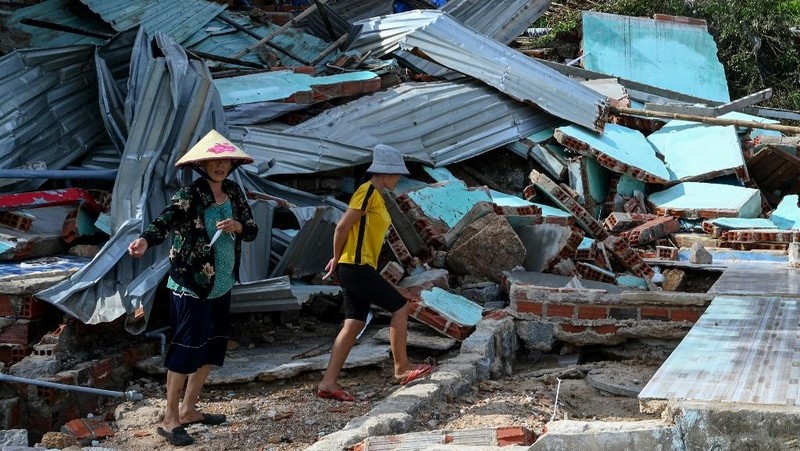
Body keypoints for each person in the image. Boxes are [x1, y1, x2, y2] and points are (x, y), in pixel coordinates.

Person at [128, 130, 258, 446]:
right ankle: (170, 417)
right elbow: (166, 220)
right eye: (214, 161)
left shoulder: (234, 193)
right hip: (192, 284)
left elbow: (251, 230)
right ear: (203, 164)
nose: (220, 165)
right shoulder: (190, 194)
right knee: (185, 348)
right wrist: (146, 239)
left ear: (231, 163)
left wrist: (237, 226)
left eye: (225, 160)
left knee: (213, 346)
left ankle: (188, 409)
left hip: (222, 283)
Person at [317, 144, 433, 402]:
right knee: (400, 307)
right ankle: (402, 369)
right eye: (396, 173)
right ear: (384, 172)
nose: (399, 178)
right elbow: (342, 226)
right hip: (355, 267)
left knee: (354, 323)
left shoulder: (377, 197)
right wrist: (337, 258)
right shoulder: (366, 192)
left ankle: (328, 383)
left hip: (357, 267)